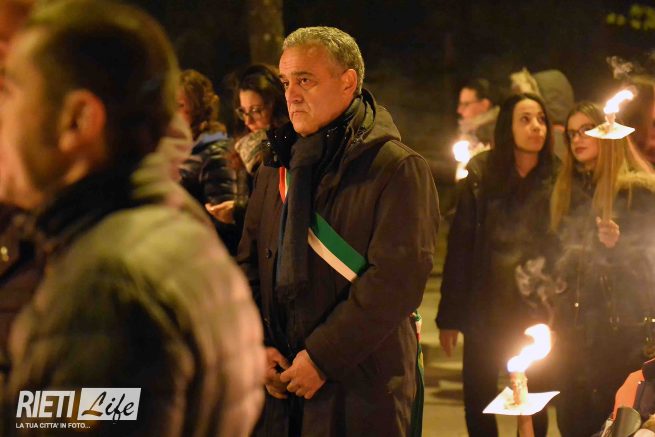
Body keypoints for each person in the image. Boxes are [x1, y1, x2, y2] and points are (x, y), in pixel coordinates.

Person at [0, 1, 264, 435]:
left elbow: (79, 417)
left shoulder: (106, 290)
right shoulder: (165, 234)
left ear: (79, 119)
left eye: (9, 94)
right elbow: (62, 411)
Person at [238, 26, 439, 436]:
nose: (291, 94)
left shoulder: (396, 168)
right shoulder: (276, 165)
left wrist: (322, 359)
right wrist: (259, 345)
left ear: (347, 82)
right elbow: (248, 262)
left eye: (305, 80)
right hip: (282, 390)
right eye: (286, 82)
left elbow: (396, 281)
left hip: (362, 391)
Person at [437, 93, 556, 437]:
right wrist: (449, 317)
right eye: (525, 119)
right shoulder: (482, 174)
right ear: (507, 127)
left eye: (541, 119)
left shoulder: (557, 176)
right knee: (479, 400)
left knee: (535, 402)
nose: (536, 127)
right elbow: (461, 246)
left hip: (536, 313)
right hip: (485, 311)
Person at [549, 102, 655, 436]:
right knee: (571, 421)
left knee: (610, 423)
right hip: (574, 335)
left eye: (586, 130)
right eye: (571, 134)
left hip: (617, 335)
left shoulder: (635, 192)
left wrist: (617, 246)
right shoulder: (570, 188)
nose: (577, 139)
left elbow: (647, 267)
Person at [206, 64, 288, 231]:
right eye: (243, 111)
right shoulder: (246, 145)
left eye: (256, 110)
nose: (248, 121)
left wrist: (238, 212)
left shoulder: (279, 146)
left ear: (277, 105)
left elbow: (275, 208)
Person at [177, 69, 240, 255]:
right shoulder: (182, 150)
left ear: (198, 109)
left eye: (179, 105)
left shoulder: (215, 151)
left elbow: (225, 222)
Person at [457, 77, 499, 147]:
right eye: (460, 104)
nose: (459, 110)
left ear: (484, 105)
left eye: (466, 104)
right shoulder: (467, 131)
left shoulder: (495, 134)